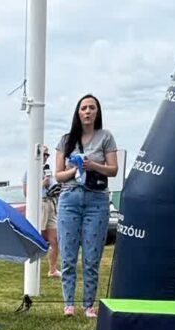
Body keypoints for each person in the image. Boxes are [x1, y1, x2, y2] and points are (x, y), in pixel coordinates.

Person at [54, 94, 119, 317]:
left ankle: (89, 305)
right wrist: (75, 169)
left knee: (92, 256)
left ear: (97, 112)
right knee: (68, 255)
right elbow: (58, 175)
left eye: (92, 108)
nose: (88, 112)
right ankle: (69, 304)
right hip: (70, 199)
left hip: (96, 199)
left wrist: (93, 165)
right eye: (84, 108)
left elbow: (113, 170)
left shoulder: (106, 137)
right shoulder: (66, 140)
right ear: (78, 112)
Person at [23, 150, 60, 277]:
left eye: (47, 155)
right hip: (40, 204)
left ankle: (53, 269)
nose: (45, 157)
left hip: (51, 203)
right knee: (37, 236)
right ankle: (32, 268)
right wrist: (42, 184)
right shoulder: (30, 171)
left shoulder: (48, 171)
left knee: (55, 239)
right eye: (43, 154)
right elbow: (27, 193)